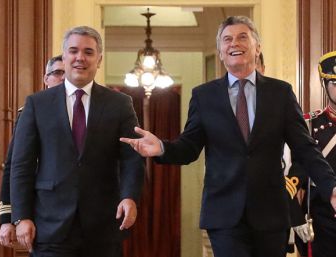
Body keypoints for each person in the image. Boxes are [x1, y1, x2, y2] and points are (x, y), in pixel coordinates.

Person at [120, 16, 336, 257]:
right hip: (223, 215)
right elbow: (189, 147)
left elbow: (305, 148)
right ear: (221, 52)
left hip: (271, 214)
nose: (235, 43)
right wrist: (162, 148)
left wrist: (331, 187)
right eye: (227, 39)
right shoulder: (204, 96)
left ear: (257, 47)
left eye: (243, 37)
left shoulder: (281, 93)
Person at [10, 26, 144, 257]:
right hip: (49, 225)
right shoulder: (37, 104)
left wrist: (129, 196)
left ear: (99, 59)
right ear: (64, 56)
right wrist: (21, 216)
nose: (80, 58)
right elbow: (22, 164)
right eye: (73, 51)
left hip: (103, 225)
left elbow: (132, 158)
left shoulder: (120, 104)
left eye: (88, 52)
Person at [0, 54, 65, 248]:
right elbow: (15, 164)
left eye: (66, 73)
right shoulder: (30, 110)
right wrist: (8, 217)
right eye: (57, 73)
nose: (62, 78)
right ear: (46, 79)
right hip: (41, 209)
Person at [288, 51, 336, 257]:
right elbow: (295, 177)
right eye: (335, 83)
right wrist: (296, 217)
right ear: (325, 85)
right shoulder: (309, 124)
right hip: (322, 220)